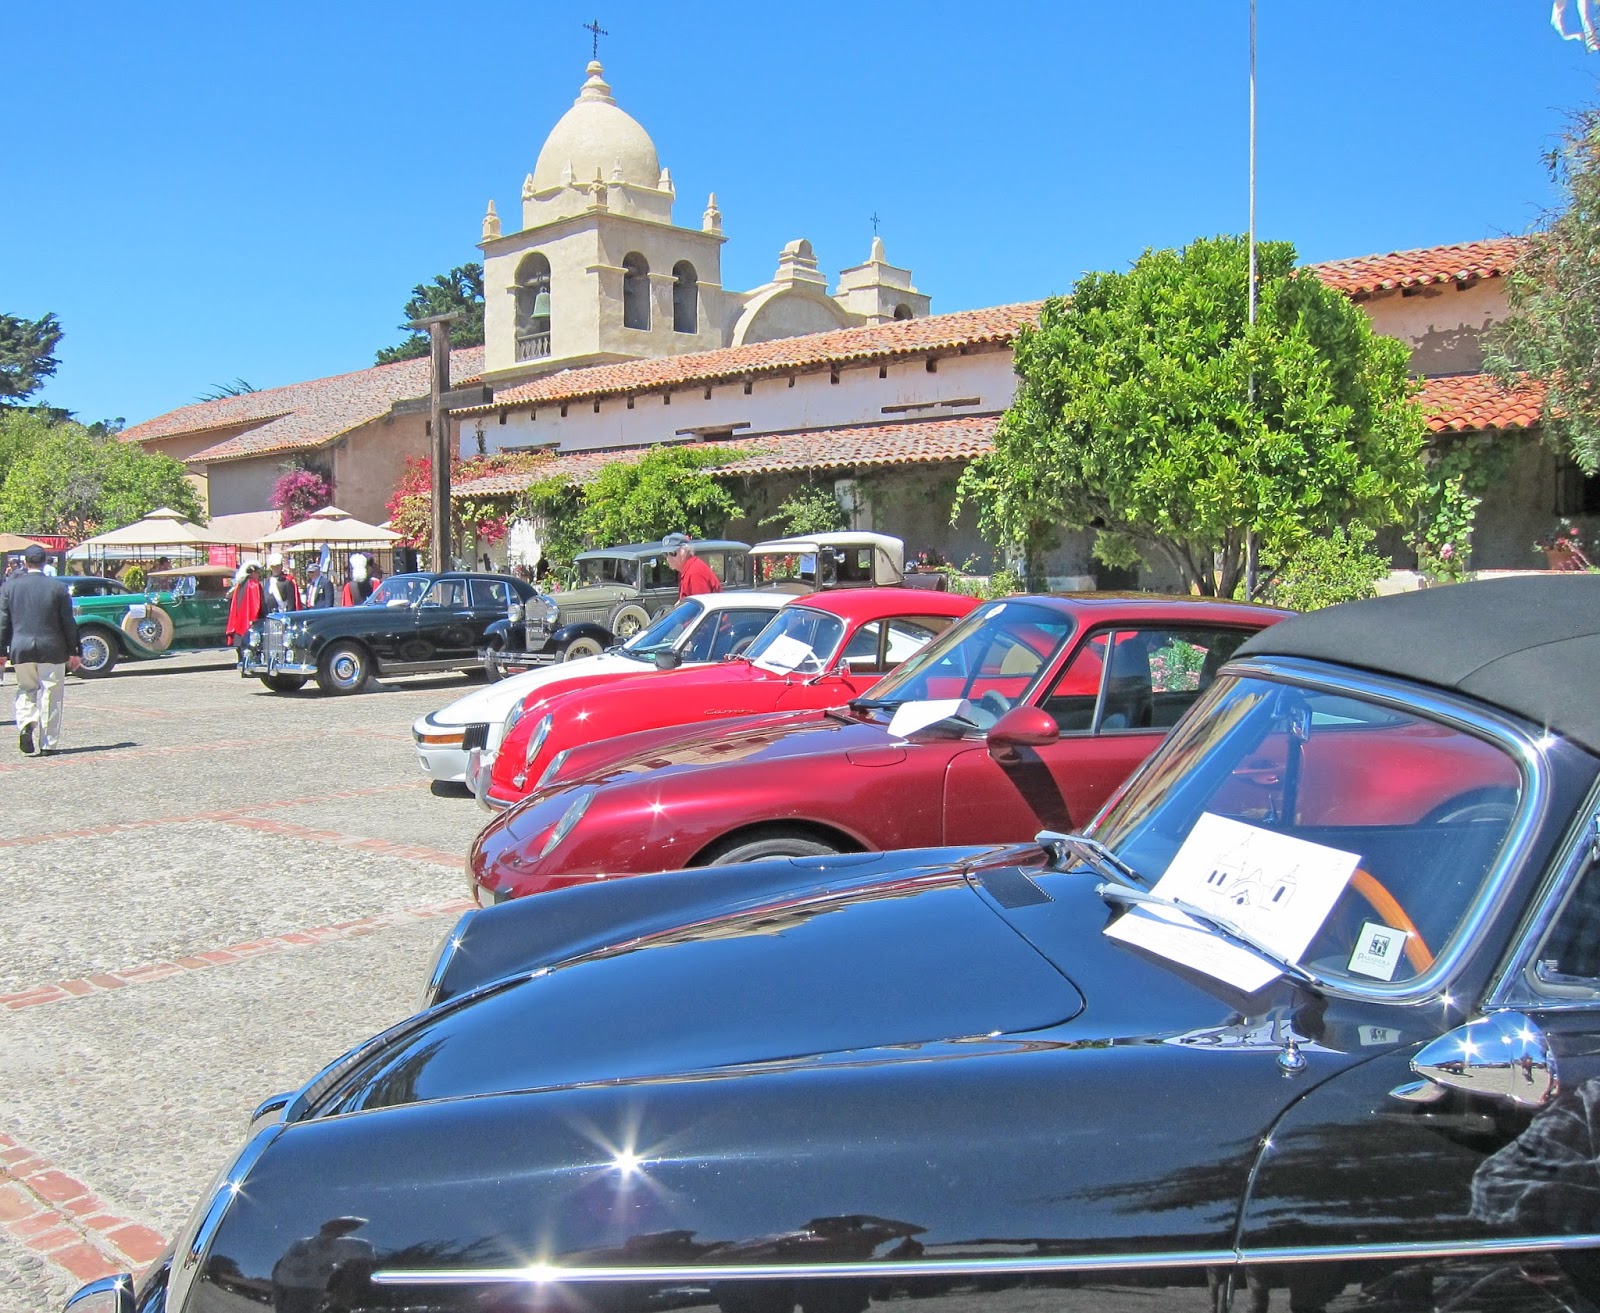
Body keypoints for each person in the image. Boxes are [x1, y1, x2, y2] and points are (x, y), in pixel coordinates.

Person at [0, 544, 83, 756]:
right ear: (45, 562)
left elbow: (3, 621)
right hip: (52, 648)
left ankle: (27, 721)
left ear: (25, 563)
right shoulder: (57, 588)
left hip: (21, 647)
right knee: (51, 694)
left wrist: (1, 651)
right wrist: (74, 650)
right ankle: (48, 743)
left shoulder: (9, 588)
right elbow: (68, 621)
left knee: (26, 688)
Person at [663, 532, 721, 599]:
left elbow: (701, 606)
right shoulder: (686, 570)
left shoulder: (694, 574)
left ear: (685, 551)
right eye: (666, 554)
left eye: (672, 553)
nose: (668, 558)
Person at [225, 560, 264, 659]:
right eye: (258, 573)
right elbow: (257, 606)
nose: (259, 576)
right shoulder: (253, 585)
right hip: (249, 626)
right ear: (253, 572)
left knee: (241, 656)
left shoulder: (239, 585)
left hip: (238, 627)